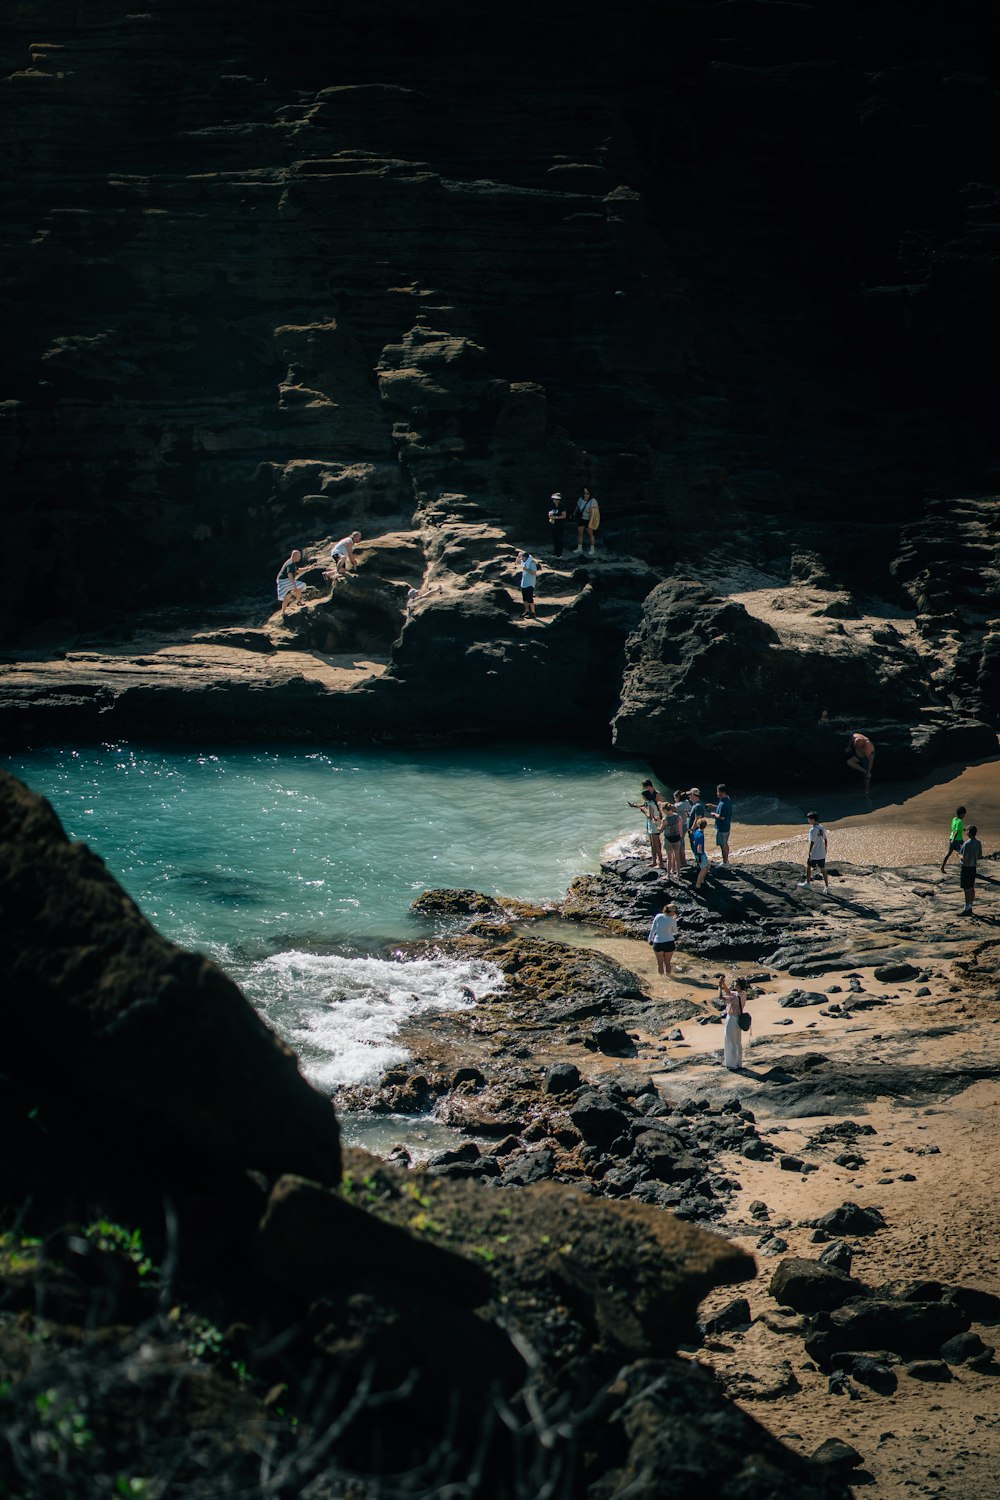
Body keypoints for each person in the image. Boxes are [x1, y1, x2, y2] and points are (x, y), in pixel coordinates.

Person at [629, 786, 666, 869]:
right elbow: (642, 805)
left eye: (643, 796)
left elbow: (650, 816)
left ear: (645, 796)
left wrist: (644, 811)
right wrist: (634, 805)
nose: (642, 798)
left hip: (654, 826)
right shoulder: (650, 802)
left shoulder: (650, 805)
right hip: (651, 826)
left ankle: (661, 863)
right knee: (653, 845)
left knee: (656, 845)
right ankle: (654, 862)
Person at [719, 974, 750, 1071]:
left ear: (739, 986)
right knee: (737, 1042)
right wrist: (723, 983)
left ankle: (731, 1064)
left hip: (732, 1019)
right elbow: (729, 992)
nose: (734, 985)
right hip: (738, 1019)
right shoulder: (742, 994)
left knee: (730, 1041)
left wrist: (719, 987)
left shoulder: (735, 997)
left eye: (736, 984)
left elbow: (720, 997)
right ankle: (738, 1063)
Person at [798, 811, 831, 894]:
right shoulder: (821, 827)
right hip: (822, 853)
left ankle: (808, 883)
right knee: (823, 869)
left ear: (813, 820)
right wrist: (825, 849)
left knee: (808, 867)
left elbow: (812, 842)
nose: (808, 820)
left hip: (815, 853)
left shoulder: (812, 830)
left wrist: (809, 853)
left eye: (809, 819)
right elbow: (825, 839)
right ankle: (827, 887)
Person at [648, 901, 678, 975]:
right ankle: (669, 979)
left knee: (660, 964)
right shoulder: (672, 920)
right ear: (672, 912)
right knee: (667, 963)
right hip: (669, 943)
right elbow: (675, 932)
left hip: (658, 943)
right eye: (675, 911)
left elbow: (653, 929)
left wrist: (650, 939)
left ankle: (661, 979)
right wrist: (673, 920)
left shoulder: (658, 916)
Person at [959, 824, 983, 916]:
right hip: (973, 867)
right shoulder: (978, 842)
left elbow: (963, 858)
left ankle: (967, 908)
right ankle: (970, 906)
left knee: (966, 889)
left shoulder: (967, 844)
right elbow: (980, 856)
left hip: (966, 868)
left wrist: (958, 855)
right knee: (972, 887)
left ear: (969, 832)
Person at [275, 549, 305, 616]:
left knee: (288, 596)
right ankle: (298, 602)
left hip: (281, 580)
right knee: (300, 585)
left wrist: (307, 568)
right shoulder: (291, 563)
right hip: (284, 580)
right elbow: (290, 575)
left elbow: (297, 570)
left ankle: (283, 612)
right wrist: (294, 587)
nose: (300, 558)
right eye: (299, 556)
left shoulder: (292, 562)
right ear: (295, 556)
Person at [574, 487, 601, 556]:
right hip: (581, 518)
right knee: (580, 533)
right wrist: (574, 513)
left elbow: (597, 509)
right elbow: (577, 507)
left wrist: (591, 510)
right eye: (584, 493)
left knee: (590, 534)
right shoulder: (581, 499)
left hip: (589, 519)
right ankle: (579, 548)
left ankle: (592, 549)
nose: (585, 495)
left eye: (587, 493)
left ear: (590, 493)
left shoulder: (593, 500)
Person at [660, 800, 683, 877]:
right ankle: (678, 874)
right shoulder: (677, 816)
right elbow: (680, 825)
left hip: (668, 839)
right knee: (677, 857)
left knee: (669, 858)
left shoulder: (665, 819)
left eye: (663, 810)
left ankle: (668, 875)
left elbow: (661, 830)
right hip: (677, 838)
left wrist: (656, 824)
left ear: (666, 810)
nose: (662, 812)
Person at [711, 783, 733, 865]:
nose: (717, 793)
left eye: (718, 792)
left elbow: (722, 817)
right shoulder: (727, 800)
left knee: (723, 845)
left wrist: (714, 814)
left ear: (722, 792)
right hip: (726, 827)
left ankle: (725, 863)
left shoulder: (724, 803)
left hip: (722, 828)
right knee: (725, 844)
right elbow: (721, 809)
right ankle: (726, 861)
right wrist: (713, 806)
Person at [941, 806, 967, 873]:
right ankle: (964, 868)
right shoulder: (960, 822)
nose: (964, 816)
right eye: (964, 814)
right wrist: (954, 840)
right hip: (958, 840)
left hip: (951, 838)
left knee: (948, 854)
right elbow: (956, 831)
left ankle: (942, 867)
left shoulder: (954, 819)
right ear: (961, 814)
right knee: (963, 853)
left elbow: (956, 828)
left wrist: (963, 829)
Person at [516, 549, 539, 619]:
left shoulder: (532, 563)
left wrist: (526, 570)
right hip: (524, 583)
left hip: (530, 583)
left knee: (529, 598)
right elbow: (517, 562)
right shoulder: (525, 562)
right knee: (524, 598)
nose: (522, 559)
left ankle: (533, 613)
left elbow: (534, 573)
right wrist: (518, 556)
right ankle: (527, 611)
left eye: (522, 557)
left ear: (526, 557)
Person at [673, 790, 692, 867]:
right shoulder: (686, 802)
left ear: (678, 797)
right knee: (682, 842)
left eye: (675, 798)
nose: (674, 800)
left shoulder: (679, 805)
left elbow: (671, 809)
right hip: (685, 824)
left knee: (679, 844)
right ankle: (683, 860)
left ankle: (682, 861)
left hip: (680, 825)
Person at [691, 817, 710, 890]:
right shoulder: (701, 835)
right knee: (704, 869)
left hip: (699, 853)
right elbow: (699, 847)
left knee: (708, 866)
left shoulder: (696, 832)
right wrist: (699, 858)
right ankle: (698, 884)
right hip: (700, 854)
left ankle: (702, 880)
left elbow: (694, 842)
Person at [547, 493, 567, 558]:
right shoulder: (552, 506)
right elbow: (550, 513)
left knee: (559, 539)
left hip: (560, 525)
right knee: (555, 539)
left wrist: (555, 517)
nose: (555, 500)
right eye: (554, 499)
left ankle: (559, 554)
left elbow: (564, 516)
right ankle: (555, 553)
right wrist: (550, 515)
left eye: (556, 499)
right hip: (554, 525)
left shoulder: (562, 506)